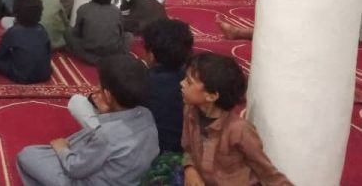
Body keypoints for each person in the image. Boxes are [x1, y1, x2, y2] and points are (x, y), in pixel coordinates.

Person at [17, 54, 160, 186]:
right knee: (79, 140)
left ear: (107, 96)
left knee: (27, 155)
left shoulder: (107, 135)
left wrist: (62, 149)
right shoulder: (146, 114)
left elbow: (74, 169)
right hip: (128, 179)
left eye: (100, 86)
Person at [181, 53, 293, 186]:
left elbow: (267, 173)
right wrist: (190, 169)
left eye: (189, 82)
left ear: (211, 96)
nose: (181, 83)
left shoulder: (239, 130)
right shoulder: (190, 112)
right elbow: (188, 149)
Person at [137, 19, 193, 185]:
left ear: (151, 54)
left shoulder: (142, 82)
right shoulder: (195, 84)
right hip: (186, 155)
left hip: (151, 155)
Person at [63, 0, 129, 65]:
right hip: (112, 54)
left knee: (68, 32)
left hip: (88, 54)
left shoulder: (83, 9)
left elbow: (76, 33)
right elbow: (121, 34)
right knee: (129, 36)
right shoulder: (116, 11)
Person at [0, 0, 52, 83]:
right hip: (45, 74)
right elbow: (48, 53)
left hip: (22, 76)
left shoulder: (13, 32)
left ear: (16, 13)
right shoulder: (42, 29)